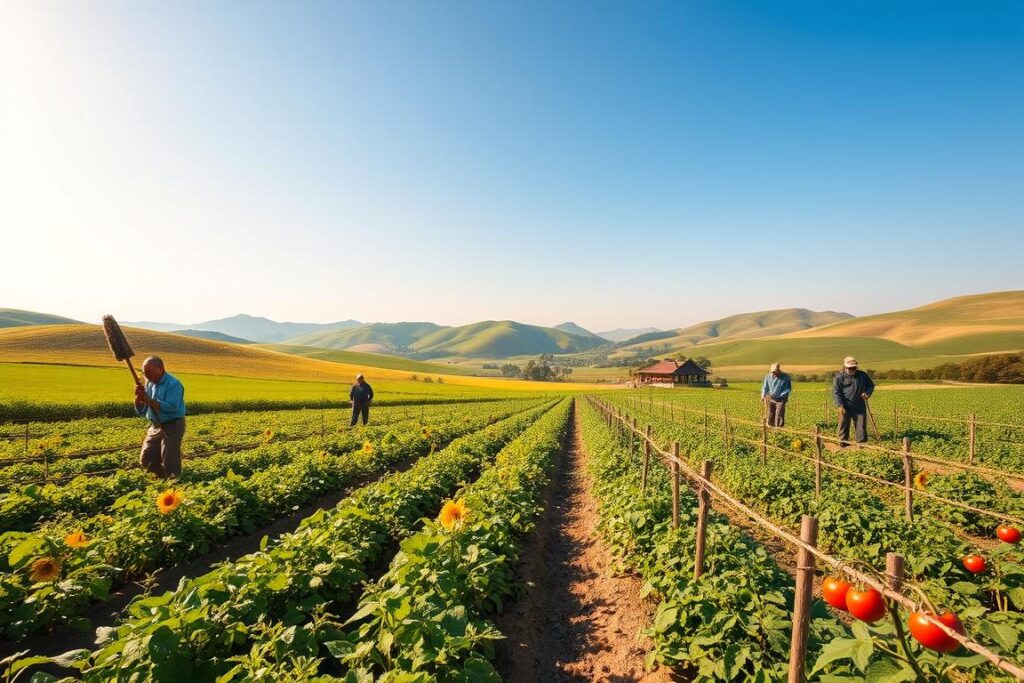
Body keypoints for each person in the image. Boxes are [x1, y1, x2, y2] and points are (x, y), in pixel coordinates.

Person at [133, 356, 186, 479]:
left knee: (170, 461)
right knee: (147, 459)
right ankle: (162, 484)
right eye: (144, 372)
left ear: (161, 369)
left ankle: (174, 486)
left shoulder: (174, 384)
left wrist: (150, 401)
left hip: (172, 425)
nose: (146, 375)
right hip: (155, 426)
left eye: (149, 372)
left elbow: (172, 407)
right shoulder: (149, 383)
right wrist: (138, 399)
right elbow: (142, 410)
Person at [833, 356, 875, 446]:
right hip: (845, 405)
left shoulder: (863, 375)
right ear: (844, 367)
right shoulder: (839, 377)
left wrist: (867, 393)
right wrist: (840, 405)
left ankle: (861, 443)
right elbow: (836, 393)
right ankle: (843, 442)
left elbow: (870, 385)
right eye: (850, 368)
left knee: (861, 426)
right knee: (843, 424)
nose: (852, 370)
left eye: (854, 368)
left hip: (859, 405)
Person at [760, 362, 792, 427]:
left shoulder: (785, 377)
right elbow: (765, 387)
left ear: (779, 371)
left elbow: (787, 389)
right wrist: (763, 395)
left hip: (781, 399)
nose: (774, 374)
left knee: (779, 414)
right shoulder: (768, 377)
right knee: (770, 413)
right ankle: (770, 427)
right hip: (771, 397)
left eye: (775, 372)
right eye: (773, 372)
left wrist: (780, 395)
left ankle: (778, 428)